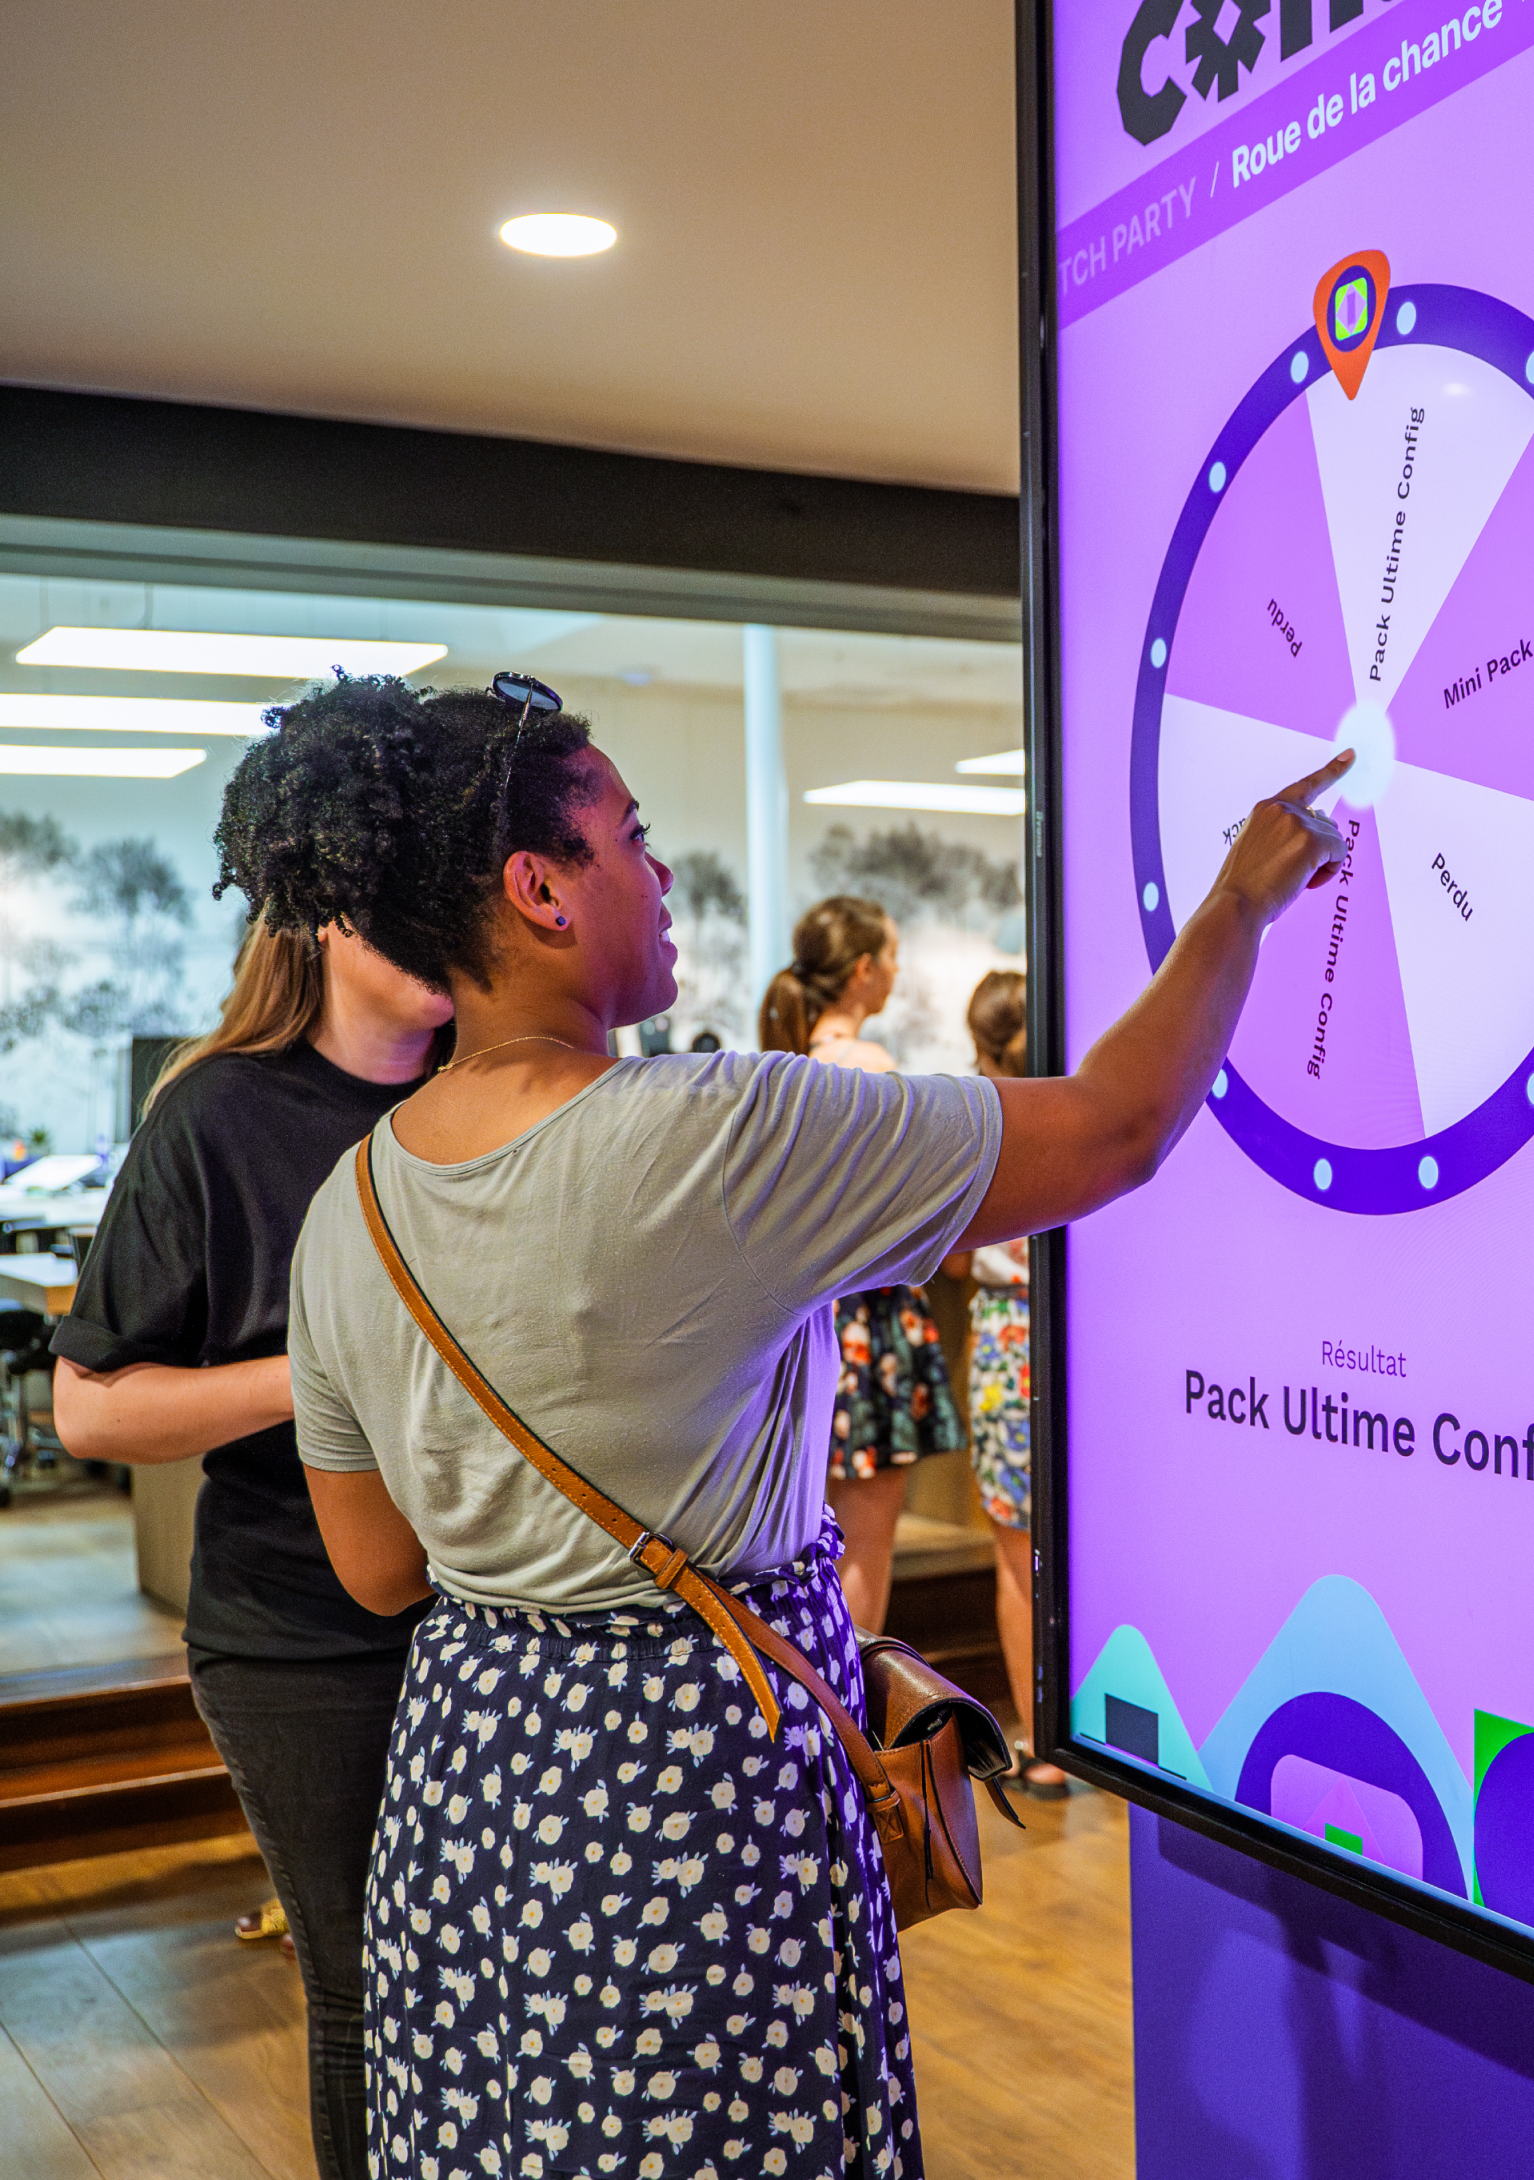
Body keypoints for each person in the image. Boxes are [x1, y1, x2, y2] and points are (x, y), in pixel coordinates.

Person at [222, 672, 1344, 2180]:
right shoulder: (714, 1132)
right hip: (691, 1778)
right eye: (631, 835)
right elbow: (1116, 1128)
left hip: (467, 1788)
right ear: (540, 889)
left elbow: (375, 1569)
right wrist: (1240, 901)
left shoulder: (347, 1211)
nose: (664, 869)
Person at [50, 912, 454, 2180]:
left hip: (496, 1615)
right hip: (300, 1634)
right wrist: (314, 1372)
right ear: (330, 918)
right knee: (364, 1983)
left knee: (485, 1979)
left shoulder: (495, 1087)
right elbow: (94, 1404)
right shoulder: (217, 1109)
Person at [760, 897, 964, 1632]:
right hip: (871, 1327)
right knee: (864, 1555)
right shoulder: (867, 1066)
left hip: (807, 1324)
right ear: (864, 971)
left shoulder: (784, 1063)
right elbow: (904, 1214)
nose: (898, 972)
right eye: (892, 957)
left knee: (816, 1548)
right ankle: (857, 1735)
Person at [941, 971, 1066, 1797]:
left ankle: (1039, 1744)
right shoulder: (1069, 1109)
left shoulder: (961, 1122)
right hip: (1073, 1333)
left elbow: (948, 1255)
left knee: (1016, 1559)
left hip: (1002, 1336)